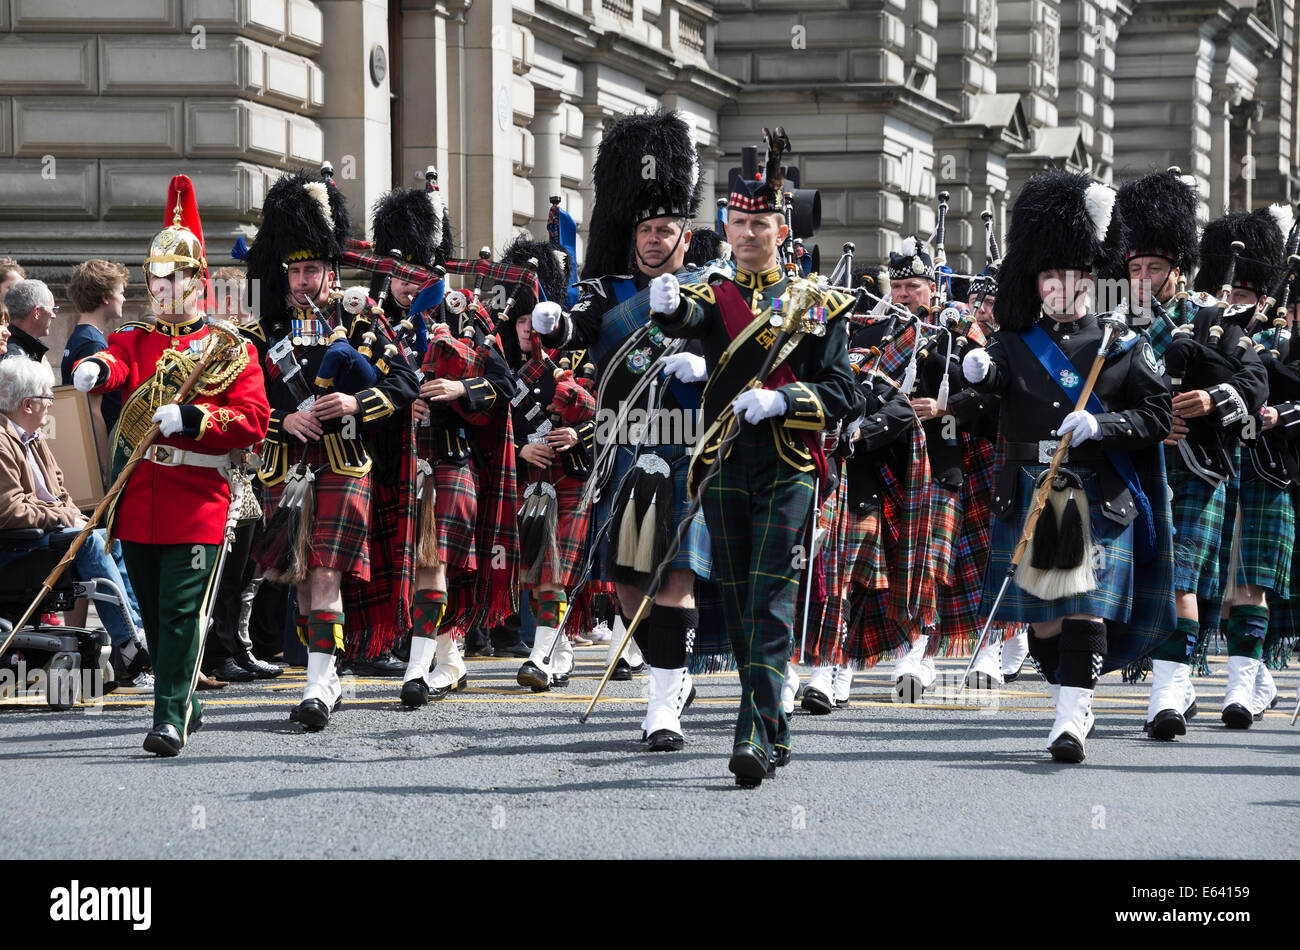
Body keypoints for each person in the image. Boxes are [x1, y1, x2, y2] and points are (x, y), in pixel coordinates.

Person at [961, 169, 1175, 763]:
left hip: (1099, 490)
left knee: (1086, 607)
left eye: (1074, 276)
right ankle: (1066, 688)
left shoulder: (1124, 340)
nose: (1062, 286)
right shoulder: (1011, 341)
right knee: (1047, 626)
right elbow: (988, 393)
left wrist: (1101, 426)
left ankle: (1071, 718)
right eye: (1051, 275)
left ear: (1093, 279)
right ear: (1036, 281)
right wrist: (977, 373)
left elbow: (1157, 415)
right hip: (1032, 490)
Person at [651, 166, 855, 786]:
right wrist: (665, 307)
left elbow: (846, 393)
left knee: (770, 600)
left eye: (758, 223)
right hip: (725, 462)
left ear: (780, 228)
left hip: (789, 465)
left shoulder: (817, 303)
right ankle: (774, 725)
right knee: (739, 603)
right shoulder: (712, 296)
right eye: (736, 222)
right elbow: (687, 317)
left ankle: (751, 737)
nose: (745, 233)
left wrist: (784, 403)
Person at [532, 110, 729, 750]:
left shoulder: (710, 291)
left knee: (674, 578)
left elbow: (741, 356)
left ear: (685, 235)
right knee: (626, 586)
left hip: (685, 450)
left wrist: (707, 363)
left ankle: (663, 708)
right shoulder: (608, 289)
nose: (652, 240)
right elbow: (576, 326)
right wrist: (551, 322)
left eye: (665, 229)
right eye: (644, 229)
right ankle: (673, 674)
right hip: (624, 449)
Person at [73, 174, 270, 756]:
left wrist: (196, 421)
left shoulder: (230, 347)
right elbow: (118, 363)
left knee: (183, 611)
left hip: (197, 497)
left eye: (178, 277)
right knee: (157, 620)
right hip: (139, 496)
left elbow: (254, 420)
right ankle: (187, 698)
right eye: (157, 278)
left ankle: (167, 717)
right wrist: (95, 370)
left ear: (200, 282)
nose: (165, 288)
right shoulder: (137, 338)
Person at [244, 169, 418, 729]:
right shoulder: (261, 331)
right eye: (293, 270)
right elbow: (243, 406)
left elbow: (403, 386)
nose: (301, 280)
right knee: (298, 574)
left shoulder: (361, 323)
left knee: (324, 570)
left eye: (311, 269)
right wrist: (281, 419)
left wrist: (352, 404)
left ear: (330, 269)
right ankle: (327, 672)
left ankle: (318, 682)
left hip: (342, 464)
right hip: (283, 465)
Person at [1114, 170, 1267, 738]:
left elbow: (1253, 380)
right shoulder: (1114, 322)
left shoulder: (1214, 315)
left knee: (1180, 578)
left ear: (1176, 268)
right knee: (1146, 576)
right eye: (1135, 269)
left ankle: (1168, 691)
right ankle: (1165, 681)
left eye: (1154, 268)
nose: (1144, 278)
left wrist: (1209, 400)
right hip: (1135, 463)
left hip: (1197, 464)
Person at [1192, 207, 1297, 728]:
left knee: (1248, 583)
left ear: (1265, 297)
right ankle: (1252, 679)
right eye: (1230, 294)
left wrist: (1278, 404)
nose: (1236, 302)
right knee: (1215, 584)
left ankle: (1238, 690)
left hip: (1267, 468)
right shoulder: (1208, 333)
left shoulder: (1282, 340)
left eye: (1246, 295)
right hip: (1212, 465)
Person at [0, 357, 147, 680]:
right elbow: (10, 511)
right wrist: (67, 519)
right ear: (27, 404)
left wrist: (70, 518)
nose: (51, 405)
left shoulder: (33, 439)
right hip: (17, 546)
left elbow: (62, 493)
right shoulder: (2, 442)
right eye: (46, 398)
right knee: (92, 541)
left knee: (109, 538)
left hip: (44, 534)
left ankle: (135, 632)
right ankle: (129, 642)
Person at [63, 260, 129, 484]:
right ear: (105, 297)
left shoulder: (81, 336)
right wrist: (103, 470)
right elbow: (93, 412)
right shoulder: (93, 344)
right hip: (96, 455)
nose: (124, 298)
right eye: (121, 292)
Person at [3, 279, 57, 365]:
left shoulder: (15, 351)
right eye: (53, 309)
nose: (54, 316)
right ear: (37, 312)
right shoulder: (15, 359)